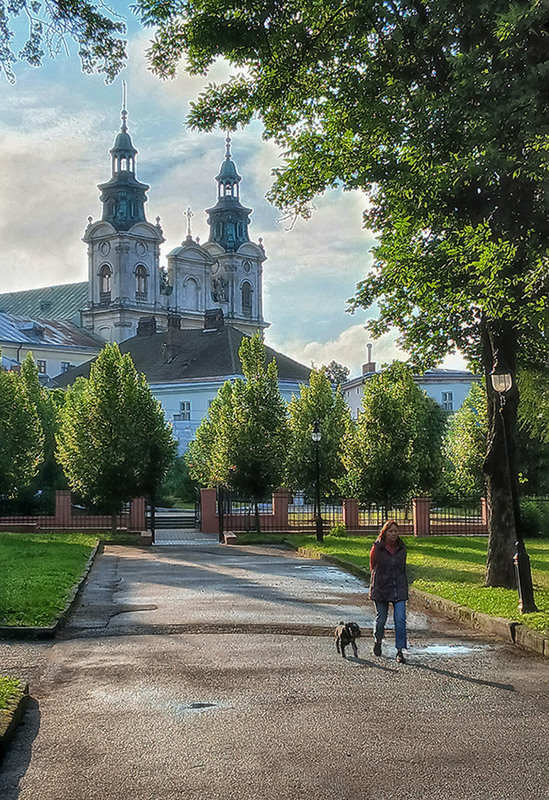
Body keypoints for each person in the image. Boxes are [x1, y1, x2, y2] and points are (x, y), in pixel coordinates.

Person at [369, 519, 409, 663]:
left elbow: (402, 568)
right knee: (381, 619)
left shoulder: (402, 548)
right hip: (381, 588)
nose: (393, 534)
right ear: (384, 533)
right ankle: (378, 640)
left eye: (395, 531)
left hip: (399, 587)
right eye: (390, 531)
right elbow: (373, 567)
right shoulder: (377, 548)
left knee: (400, 619)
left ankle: (399, 651)